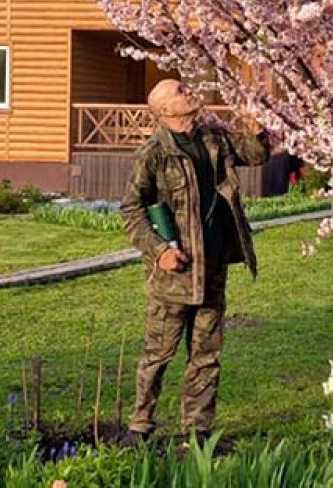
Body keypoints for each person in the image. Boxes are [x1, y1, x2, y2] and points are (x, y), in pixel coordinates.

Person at [120, 79, 270, 445]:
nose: (189, 91)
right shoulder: (153, 153)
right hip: (174, 276)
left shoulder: (213, 137)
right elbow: (131, 211)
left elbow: (255, 154)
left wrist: (255, 121)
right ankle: (140, 425)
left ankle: (198, 430)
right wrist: (160, 251)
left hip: (213, 267)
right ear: (166, 111)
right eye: (180, 91)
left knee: (206, 355)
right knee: (158, 354)